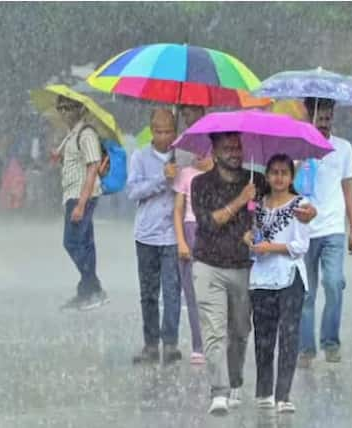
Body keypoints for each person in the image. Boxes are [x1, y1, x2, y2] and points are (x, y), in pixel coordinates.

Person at [190, 132, 317, 415]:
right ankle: (219, 391)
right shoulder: (200, 184)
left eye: (238, 147)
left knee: (240, 331)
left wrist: (312, 212)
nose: (235, 152)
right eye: (228, 148)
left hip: (244, 268)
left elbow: (287, 199)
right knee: (213, 331)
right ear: (214, 150)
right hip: (208, 264)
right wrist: (240, 200)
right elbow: (209, 224)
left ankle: (237, 383)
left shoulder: (257, 180)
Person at [246, 154, 310, 414]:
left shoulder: (301, 205)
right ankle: (264, 391)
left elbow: (300, 246)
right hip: (261, 278)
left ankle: (283, 394)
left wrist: (270, 247)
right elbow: (251, 235)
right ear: (268, 175)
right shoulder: (258, 205)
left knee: (288, 335)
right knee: (263, 336)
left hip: (289, 277)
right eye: (274, 172)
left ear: (291, 177)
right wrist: (250, 240)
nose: (279, 177)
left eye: (284, 172)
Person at [298, 97, 352, 368]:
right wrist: (304, 157)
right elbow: (286, 182)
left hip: (333, 229)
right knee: (305, 294)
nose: (323, 123)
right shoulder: (296, 145)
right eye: (318, 118)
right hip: (303, 230)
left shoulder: (343, 148)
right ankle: (306, 349)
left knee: (334, 284)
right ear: (308, 116)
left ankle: (331, 342)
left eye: (327, 118)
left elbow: (348, 188)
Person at [126, 109, 182, 365]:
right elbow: (133, 191)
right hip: (146, 235)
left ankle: (170, 343)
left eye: (168, 131)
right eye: (158, 131)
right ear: (151, 130)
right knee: (148, 293)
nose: (163, 137)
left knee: (172, 291)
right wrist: (162, 178)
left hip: (172, 234)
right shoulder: (139, 157)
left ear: (175, 130)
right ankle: (150, 344)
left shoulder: (181, 156)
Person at [54, 96, 109, 311]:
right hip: (72, 194)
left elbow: (92, 167)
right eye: (61, 108)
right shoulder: (71, 135)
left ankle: (94, 287)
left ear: (81, 109)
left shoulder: (86, 134)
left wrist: (81, 204)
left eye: (70, 107)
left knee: (72, 242)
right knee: (85, 243)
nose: (65, 112)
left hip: (81, 195)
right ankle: (86, 291)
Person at [173, 153, 213, 365]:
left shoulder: (223, 175)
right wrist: (181, 240)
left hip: (214, 234)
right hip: (190, 231)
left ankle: (216, 342)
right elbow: (178, 209)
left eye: (206, 150)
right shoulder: (185, 174)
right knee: (192, 293)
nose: (201, 155)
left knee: (214, 292)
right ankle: (199, 344)